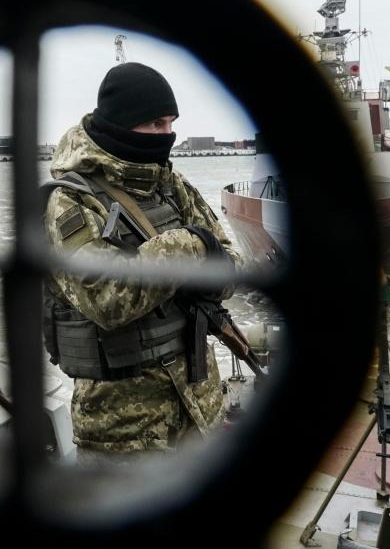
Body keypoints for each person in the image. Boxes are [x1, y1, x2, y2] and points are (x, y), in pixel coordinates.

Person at [42, 62, 241, 463]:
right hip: (124, 433)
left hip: (199, 410)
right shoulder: (71, 201)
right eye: (154, 123)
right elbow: (106, 299)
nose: (166, 135)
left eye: (170, 123)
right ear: (119, 125)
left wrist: (206, 262)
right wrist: (187, 248)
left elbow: (231, 266)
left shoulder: (170, 184)